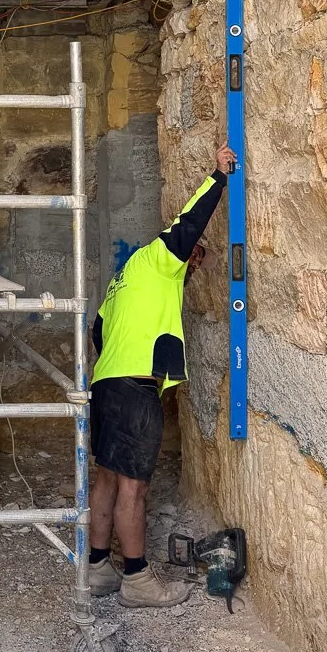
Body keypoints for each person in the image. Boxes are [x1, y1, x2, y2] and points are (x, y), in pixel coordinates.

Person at [87, 143, 237, 607]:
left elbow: (98, 331)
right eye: (191, 259)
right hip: (135, 390)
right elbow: (188, 224)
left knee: (107, 479)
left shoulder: (126, 277)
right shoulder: (158, 257)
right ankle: (136, 580)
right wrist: (219, 176)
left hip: (106, 384)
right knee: (135, 488)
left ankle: (96, 569)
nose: (193, 265)